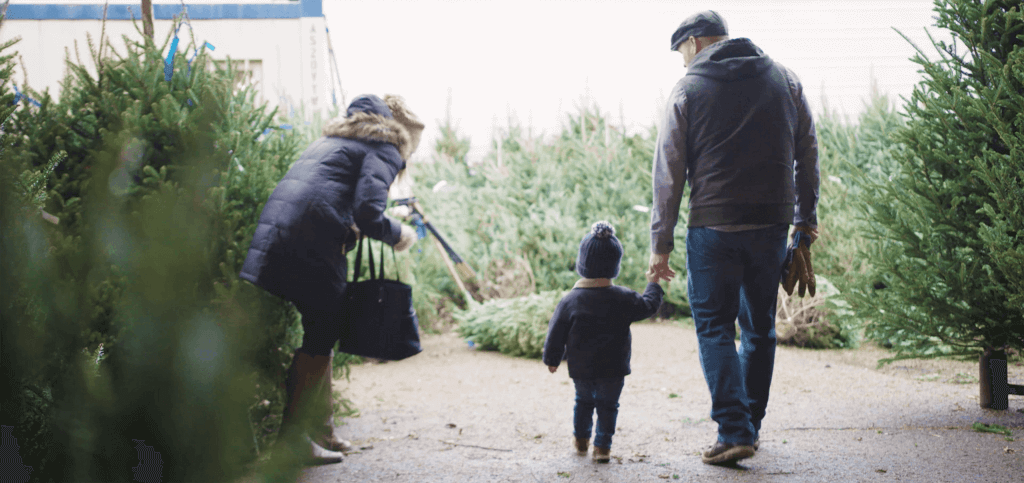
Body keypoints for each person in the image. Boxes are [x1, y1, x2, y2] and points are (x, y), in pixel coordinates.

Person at [647, 10, 820, 465]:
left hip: (713, 227)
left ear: (698, 43)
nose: (684, 64)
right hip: (771, 227)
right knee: (759, 327)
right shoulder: (786, 79)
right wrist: (804, 225)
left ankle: (734, 429)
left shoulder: (688, 88)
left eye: (683, 53)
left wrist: (659, 245)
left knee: (715, 326)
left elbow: (669, 172)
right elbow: (808, 153)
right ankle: (750, 426)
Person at [239, 94, 424, 465]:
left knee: (320, 332)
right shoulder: (385, 147)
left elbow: (328, 194)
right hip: (312, 244)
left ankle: (319, 430)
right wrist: (399, 234)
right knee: (320, 335)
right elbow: (369, 213)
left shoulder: (332, 141)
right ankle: (294, 442)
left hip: (277, 239)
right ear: (403, 136)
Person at [543, 221, 664, 463]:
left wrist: (552, 359)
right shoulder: (624, 298)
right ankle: (602, 448)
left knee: (583, 401)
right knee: (609, 406)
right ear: (614, 265)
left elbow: (556, 331)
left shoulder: (570, 301)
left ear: (582, 264)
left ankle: (581, 440)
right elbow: (649, 305)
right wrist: (654, 282)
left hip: (582, 368)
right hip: (613, 369)